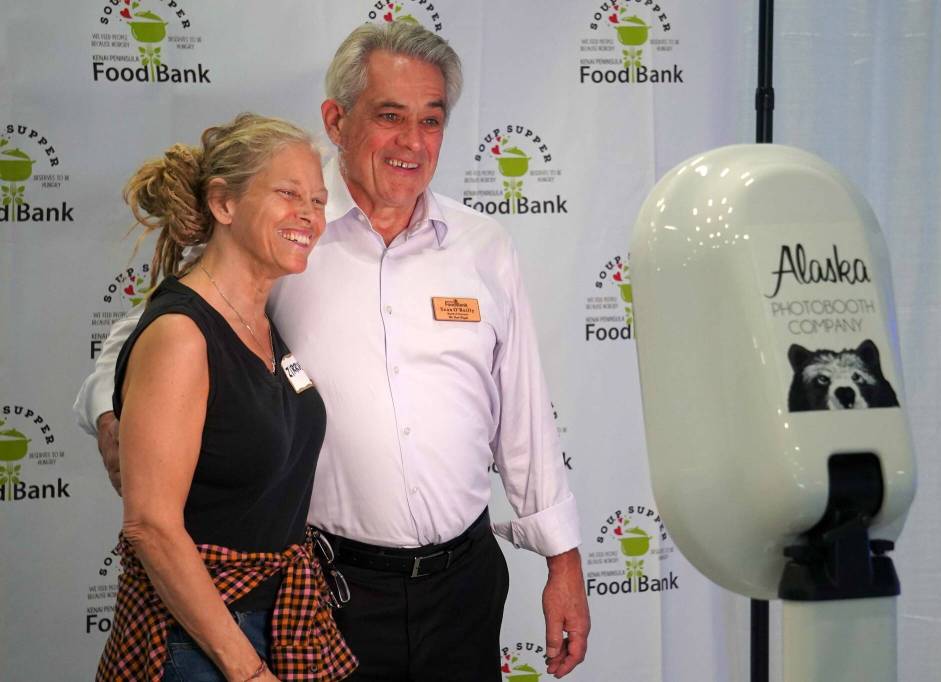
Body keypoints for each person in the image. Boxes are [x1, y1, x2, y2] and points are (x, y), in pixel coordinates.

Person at [77, 23, 590, 681]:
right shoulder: (289, 224)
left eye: (431, 121)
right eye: (389, 117)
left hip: (463, 586)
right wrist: (110, 409)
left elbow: (523, 410)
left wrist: (564, 560)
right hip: (327, 591)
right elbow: (169, 321)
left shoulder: (482, 246)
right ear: (337, 120)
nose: (412, 142)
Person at [94, 113, 356, 681]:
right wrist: (247, 669)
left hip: (273, 621)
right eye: (288, 194)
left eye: (316, 200)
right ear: (224, 204)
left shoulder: (257, 320)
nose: (309, 216)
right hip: (201, 644)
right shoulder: (182, 334)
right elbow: (150, 526)